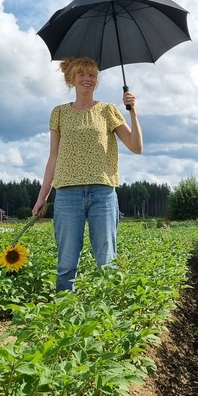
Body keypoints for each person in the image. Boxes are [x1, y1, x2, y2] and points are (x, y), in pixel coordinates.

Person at [32, 57, 143, 291]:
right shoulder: (59, 113)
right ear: (71, 79)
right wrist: (42, 197)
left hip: (102, 193)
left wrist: (133, 111)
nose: (87, 78)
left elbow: (136, 146)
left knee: (106, 261)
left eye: (92, 74)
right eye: (81, 74)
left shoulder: (108, 111)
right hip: (67, 194)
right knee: (66, 262)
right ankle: (62, 313)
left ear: (97, 81)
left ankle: (107, 313)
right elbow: (53, 158)